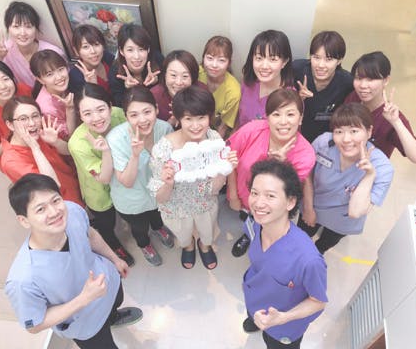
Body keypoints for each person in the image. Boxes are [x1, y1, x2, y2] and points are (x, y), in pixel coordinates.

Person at [5, 173, 142, 349]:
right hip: (85, 323)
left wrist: (115, 259)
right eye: (41, 209)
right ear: (24, 220)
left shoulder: (71, 211)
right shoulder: (23, 279)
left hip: (107, 283)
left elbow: (90, 235)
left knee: (115, 303)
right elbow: (34, 324)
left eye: (55, 200)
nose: (54, 212)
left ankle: (113, 318)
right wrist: (84, 299)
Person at [242, 159, 327, 349]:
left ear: (290, 202)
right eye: (255, 193)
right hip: (255, 297)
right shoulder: (256, 224)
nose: (258, 203)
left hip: (284, 324)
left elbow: (318, 302)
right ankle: (253, 318)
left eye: (270, 196)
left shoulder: (308, 260)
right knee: (253, 316)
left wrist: (283, 318)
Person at [149, 86, 237, 269]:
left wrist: (225, 168)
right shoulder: (163, 150)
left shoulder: (213, 141)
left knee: (207, 230)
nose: (196, 126)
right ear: (179, 118)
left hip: (205, 202)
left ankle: (205, 245)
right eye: (188, 119)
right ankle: (188, 245)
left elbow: (214, 189)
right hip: (176, 207)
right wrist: (168, 183)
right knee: (182, 234)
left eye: (201, 118)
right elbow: (160, 198)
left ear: (209, 117)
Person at [228, 89, 316, 257]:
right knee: (248, 219)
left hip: (274, 208)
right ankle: (248, 235)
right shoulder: (251, 130)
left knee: (266, 228)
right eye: (276, 114)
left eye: (290, 114)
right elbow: (230, 160)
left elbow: (291, 192)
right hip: (243, 197)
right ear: (267, 117)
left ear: (300, 118)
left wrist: (280, 166)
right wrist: (233, 195)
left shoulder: (305, 154)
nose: (283, 122)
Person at [299, 103, 394, 253]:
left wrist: (369, 176)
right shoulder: (324, 143)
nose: (346, 139)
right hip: (312, 207)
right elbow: (307, 175)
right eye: (339, 131)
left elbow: (355, 212)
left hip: (341, 222)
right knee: (300, 239)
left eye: (354, 131)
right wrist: (308, 208)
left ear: (369, 131)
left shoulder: (383, 168)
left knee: (324, 245)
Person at [68, 83, 135, 266]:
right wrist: (106, 151)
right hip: (99, 190)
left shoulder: (119, 114)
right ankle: (113, 244)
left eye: (101, 109)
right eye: (87, 113)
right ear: (80, 115)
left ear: (110, 107)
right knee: (107, 222)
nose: (96, 118)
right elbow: (104, 178)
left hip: (125, 178)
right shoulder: (77, 143)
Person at [107, 87, 175, 266]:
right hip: (132, 198)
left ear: (156, 109)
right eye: (134, 115)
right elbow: (127, 181)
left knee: (157, 216)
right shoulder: (116, 138)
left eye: (147, 112)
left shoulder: (165, 128)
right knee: (140, 227)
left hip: (158, 191)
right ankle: (144, 245)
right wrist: (135, 155)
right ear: (126, 117)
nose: (143, 120)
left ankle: (159, 228)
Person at [0, 96, 83, 206]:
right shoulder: (11, 161)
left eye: (35, 116)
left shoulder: (40, 133)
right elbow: (51, 185)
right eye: (23, 119)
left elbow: (70, 152)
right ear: (10, 125)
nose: (32, 123)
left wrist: (56, 142)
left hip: (74, 187)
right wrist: (35, 148)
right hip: (61, 204)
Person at [344, 51, 416, 163]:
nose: (362, 85)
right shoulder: (353, 97)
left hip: (370, 168)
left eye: (370, 79)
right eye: (358, 78)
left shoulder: (391, 117)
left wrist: (396, 122)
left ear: (386, 80)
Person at [292, 30, 354, 143]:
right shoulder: (297, 70)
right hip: (294, 136)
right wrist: (297, 98)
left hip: (326, 142)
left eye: (328, 59)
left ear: (339, 61)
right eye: (316, 57)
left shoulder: (347, 82)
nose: (321, 65)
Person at [0, 1, 65, 88]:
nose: (22, 33)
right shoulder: (5, 49)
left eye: (28, 26)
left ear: (36, 28)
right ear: (8, 28)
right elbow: (1, 81)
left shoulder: (53, 52)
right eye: (16, 26)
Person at [237, 29, 294, 128]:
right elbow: (238, 122)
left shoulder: (290, 98)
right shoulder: (247, 84)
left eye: (273, 59)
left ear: (284, 62)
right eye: (259, 58)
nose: (264, 66)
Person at [108, 23, 162, 107]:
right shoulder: (116, 72)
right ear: (121, 51)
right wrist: (128, 90)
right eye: (130, 50)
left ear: (148, 49)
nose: (136, 56)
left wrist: (157, 83)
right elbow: (120, 106)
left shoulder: (158, 60)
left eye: (141, 49)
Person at [198, 36, 241, 138]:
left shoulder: (233, 91)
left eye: (221, 60)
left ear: (229, 62)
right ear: (203, 58)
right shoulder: (196, 73)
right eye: (210, 58)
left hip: (214, 130)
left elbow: (223, 127)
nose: (214, 65)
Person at [151, 50, 205, 127]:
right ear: (165, 75)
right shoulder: (154, 96)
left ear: (193, 78)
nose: (178, 82)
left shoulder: (202, 93)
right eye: (173, 75)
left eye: (185, 76)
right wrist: (170, 124)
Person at [31, 50, 76, 140]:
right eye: (50, 74)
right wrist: (70, 109)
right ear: (40, 79)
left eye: (60, 69)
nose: (59, 77)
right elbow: (69, 138)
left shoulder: (72, 81)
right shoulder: (46, 109)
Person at [68, 24, 115, 94]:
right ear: (76, 51)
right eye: (86, 47)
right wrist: (93, 86)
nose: (93, 51)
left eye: (96, 44)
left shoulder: (108, 58)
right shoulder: (75, 77)